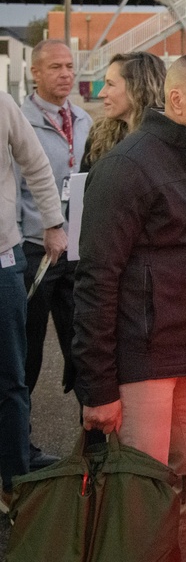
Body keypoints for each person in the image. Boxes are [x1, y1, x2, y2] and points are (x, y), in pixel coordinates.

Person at [72, 53, 186, 562]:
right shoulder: (125, 166)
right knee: (139, 501)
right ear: (177, 99)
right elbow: (96, 281)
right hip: (143, 360)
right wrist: (96, 388)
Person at [16, 39, 91, 468]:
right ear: (36, 73)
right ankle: (17, 451)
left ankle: (95, 446)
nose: (65, 74)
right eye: (56, 67)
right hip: (32, 252)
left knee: (84, 346)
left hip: (74, 253)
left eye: (70, 66)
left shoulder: (81, 119)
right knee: (26, 354)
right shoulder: (19, 121)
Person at [1, 91, 67, 512]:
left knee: (10, 377)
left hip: (2, 261)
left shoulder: (2, 105)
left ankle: (14, 481)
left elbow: (37, 165)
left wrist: (53, 223)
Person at [80, 51, 166, 171]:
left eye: (110, 84)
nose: (101, 93)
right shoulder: (98, 138)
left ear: (137, 89)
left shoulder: (171, 140)